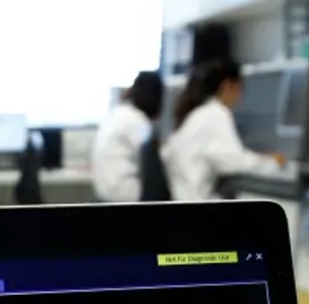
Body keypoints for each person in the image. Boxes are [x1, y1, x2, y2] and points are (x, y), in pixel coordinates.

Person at [161, 60, 286, 202]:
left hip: (183, 200)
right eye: (241, 87)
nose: (241, 96)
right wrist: (270, 161)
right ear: (227, 86)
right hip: (195, 205)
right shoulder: (216, 113)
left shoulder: (198, 114)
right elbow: (233, 161)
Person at [91, 71, 165, 202]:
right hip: (127, 197)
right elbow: (153, 162)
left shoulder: (117, 113)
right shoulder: (138, 122)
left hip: (104, 196)